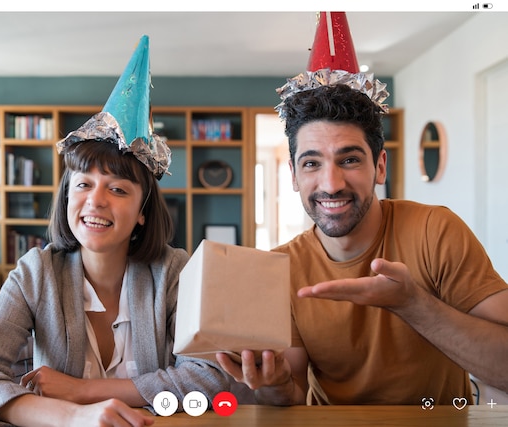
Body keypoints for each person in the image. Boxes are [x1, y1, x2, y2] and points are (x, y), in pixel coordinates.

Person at [0, 36, 231, 426]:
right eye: (83, 185)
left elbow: (209, 377)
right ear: (67, 197)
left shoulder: (175, 272)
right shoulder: (35, 273)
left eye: (117, 189)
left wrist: (83, 391)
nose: (96, 201)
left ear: (143, 211)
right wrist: (68, 416)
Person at [217, 78, 508, 406]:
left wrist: (412, 304)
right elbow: (292, 394)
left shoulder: (436, 231)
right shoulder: (281, 267)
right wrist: (274, 382)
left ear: (380, 166)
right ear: (294, 176)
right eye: (312, 163)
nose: (331, 184)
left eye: (350, 160)